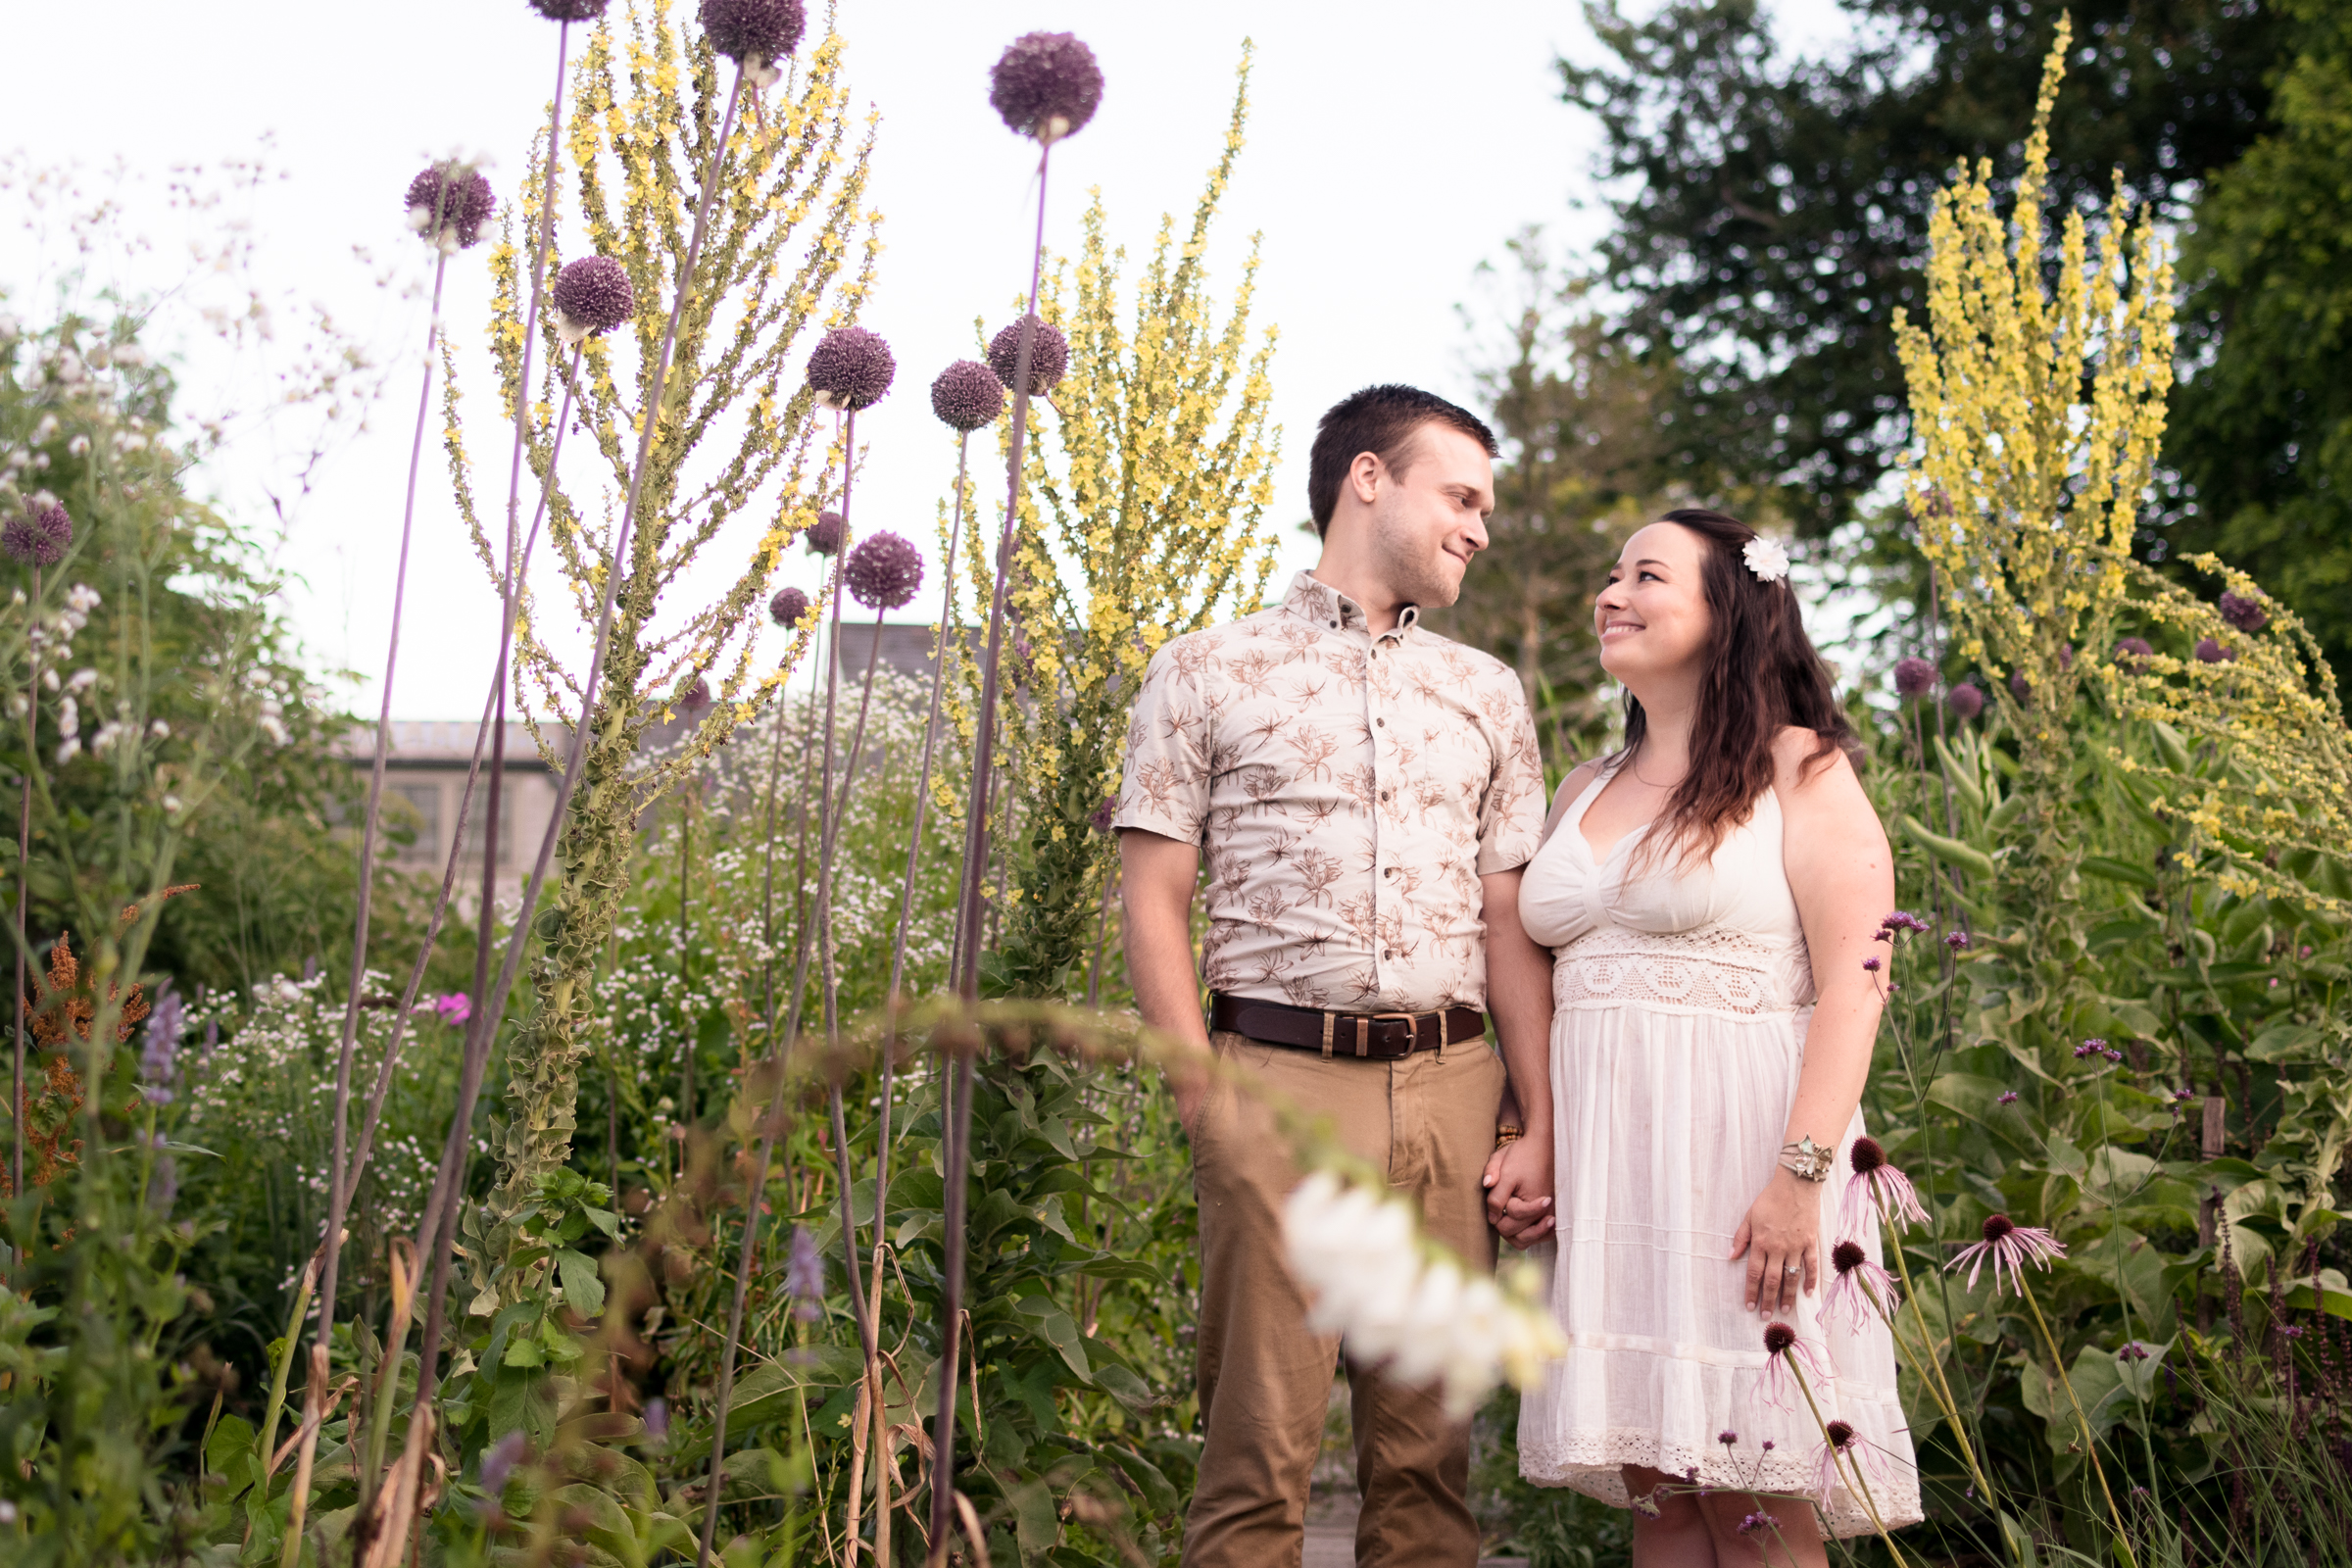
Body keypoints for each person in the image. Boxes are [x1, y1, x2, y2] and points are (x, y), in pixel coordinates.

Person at [1116, 384, 1556, 1567]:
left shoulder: (1487, 694)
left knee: (1428, 1475)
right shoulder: (1205, 669)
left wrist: (1535, 1109)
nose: (1478, 527)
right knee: (1258, 1465)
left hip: (1455, 1094)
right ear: (1370, 478)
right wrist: (1201, 1094)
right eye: (1460, 496)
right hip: (1276, 1090)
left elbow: (1507, 916)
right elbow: (1153, 892)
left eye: (1485, 508)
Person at [1510, 508, 1923, 1561]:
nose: (1611, 594)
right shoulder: (1584, 785)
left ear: (1728, 612)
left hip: (1749, 1165)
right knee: (1665, 1489)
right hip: (1622, 1181)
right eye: (1610, 574)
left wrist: (1800, 1177)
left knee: (1757, 1495)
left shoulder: (1802, 769)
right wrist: (1542, 1133)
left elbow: (1858, 981)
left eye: (1646, 575)